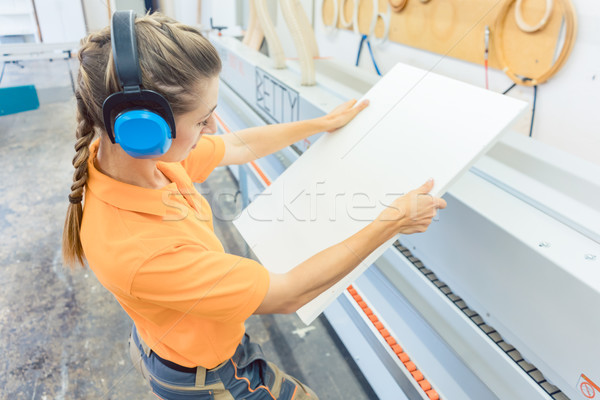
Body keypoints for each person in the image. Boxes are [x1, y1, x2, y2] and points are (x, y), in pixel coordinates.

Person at [62, 11, 446, 400]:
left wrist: (320, 124)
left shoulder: (132, 158)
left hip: (170, 342)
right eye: (202, 121)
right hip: (207, 374)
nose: (212, 130)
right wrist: (392, 222)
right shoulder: (141, 250)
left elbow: (236, 145)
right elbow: (289, 293)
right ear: (143, 128)